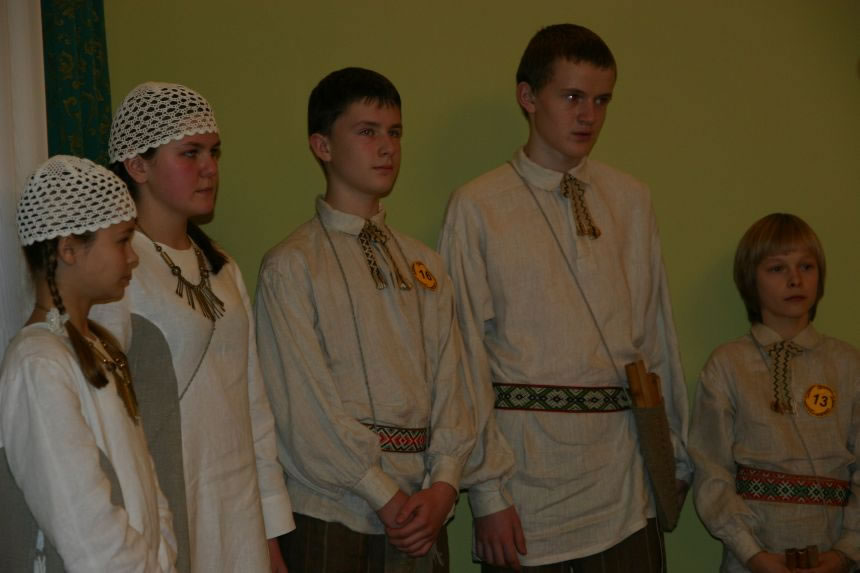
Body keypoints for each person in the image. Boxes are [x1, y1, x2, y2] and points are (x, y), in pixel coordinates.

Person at [438, 23, 692, 572]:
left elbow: (655, 335)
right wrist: (487, 493)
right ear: (528, 97)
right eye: (572, 97)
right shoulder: (478, 205)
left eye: (602, 100)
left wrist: (672, 451)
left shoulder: (631, 199)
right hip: (526, 484)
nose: (588, 116)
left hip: (624, 481)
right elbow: (462, 358)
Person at [254, 67, 476, 572]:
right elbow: (300, 406)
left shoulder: (426, 264)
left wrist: (445, 483)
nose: (386, 147)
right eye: (367, 131)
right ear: (322, 146)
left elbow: (452, 383)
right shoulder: (292, 266)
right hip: (331, 510)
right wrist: (381, 492)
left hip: (422, 508)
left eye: (394, 132)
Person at [92, 82, 294, 572]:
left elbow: (253, 403)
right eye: (190, 153)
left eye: (213, 152)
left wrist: (271, 529)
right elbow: (107, 416)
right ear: (137, 166)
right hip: (166, 510)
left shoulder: (222, 266)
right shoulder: (118, 267)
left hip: (238, 512)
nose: (209, 168)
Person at [0, 155, 177, 571]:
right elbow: (85, 530)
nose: (133, 257)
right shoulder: (37, 364)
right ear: (68, 249)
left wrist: (163, 559)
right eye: (122, 240)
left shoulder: (99, 347)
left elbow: (149, 490)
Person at [690, 213, 858, 573]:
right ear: (751, 279)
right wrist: (751, 552)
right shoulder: (728, 364)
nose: (795, 279)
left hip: (834, 553)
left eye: (806, 266)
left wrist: (847, 550)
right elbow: (710, 468)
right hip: (753, 555)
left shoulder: (847, 364)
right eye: (777, 268)